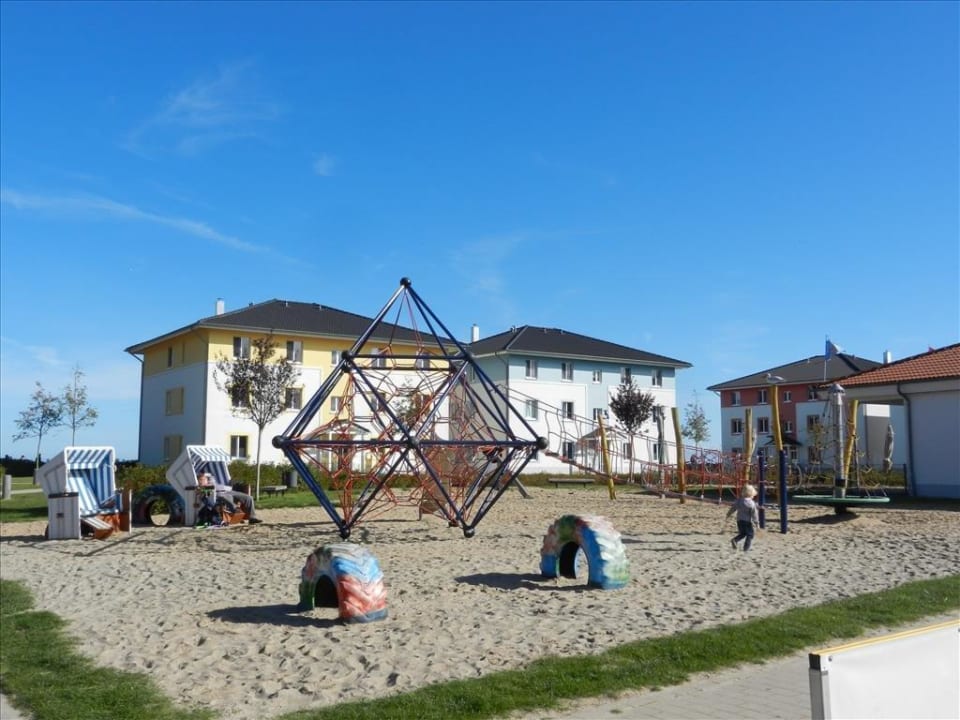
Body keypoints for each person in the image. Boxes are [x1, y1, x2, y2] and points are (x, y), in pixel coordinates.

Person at [197, 472, 263, 524]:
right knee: (226, 497)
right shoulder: (201, 487)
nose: (205, 480)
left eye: (205, 479)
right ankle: (236, 512)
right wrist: (203, 488)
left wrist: (208, 480)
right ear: (199, 480)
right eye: (203, 479)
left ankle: (252, 518)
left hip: (229, 491)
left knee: (248, 498)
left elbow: (212, 478)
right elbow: (202, 493)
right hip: (219, 493)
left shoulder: (211, 482)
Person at [727, 483, 760, 551]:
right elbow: (754, 514)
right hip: (747, 522)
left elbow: (733, 508)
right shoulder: (751, 503)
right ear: (751, 495)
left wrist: (729, 514)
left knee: (742, 533)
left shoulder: (739, 501)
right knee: (750, 534)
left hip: (739, 521)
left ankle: (735, 540)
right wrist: (757, 523)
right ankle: (746, 548)